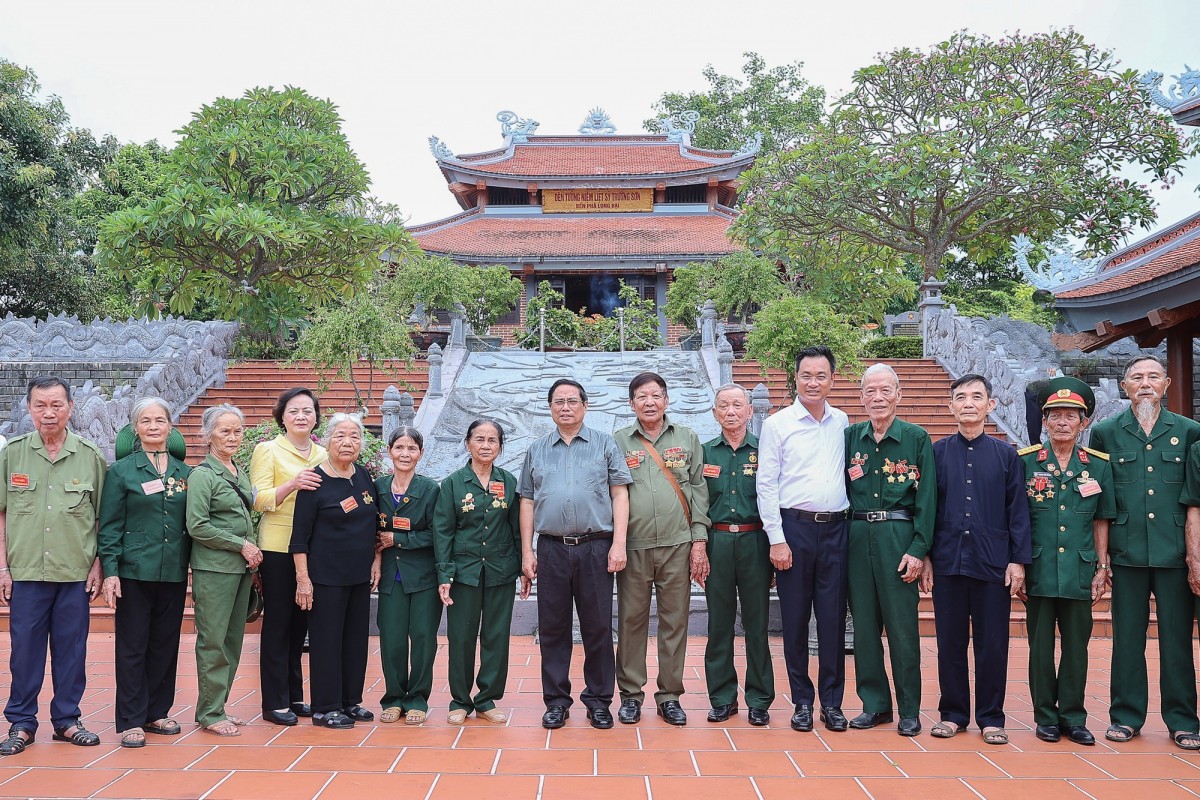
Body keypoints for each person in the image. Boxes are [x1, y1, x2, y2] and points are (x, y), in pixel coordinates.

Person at [1089, 355, 1200, 749]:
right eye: (1137, 377)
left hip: (1174, 554)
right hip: (1126, 552)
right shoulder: (1104, 433)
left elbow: (1193, 501)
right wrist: (1101, 560)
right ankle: (1126, 716)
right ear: (1124, 386)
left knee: (1177, 640)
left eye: (1153, 376)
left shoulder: (1189, 432)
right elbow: (1099, 499)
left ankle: (1184, 720)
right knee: (1127, 640)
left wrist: (1194, 556)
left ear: (1167, 384)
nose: (1145, 383)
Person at [0, 377, 107, 755]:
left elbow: (101, 519)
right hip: (26, 571)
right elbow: (2, 514)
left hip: (75, 573)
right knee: (24, 651)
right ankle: (21, 723)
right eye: (41, 405)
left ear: (70, 408)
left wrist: (98, 565)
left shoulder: (90, 455)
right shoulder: (11, 454)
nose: (49, 413)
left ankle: (67, 720)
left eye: (56, 405)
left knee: (71, 650)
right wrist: (3, 569)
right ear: (29, 409)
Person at [923, 374, 1031, 745]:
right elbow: (928, 510)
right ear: (951, 406)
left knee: (993, 643)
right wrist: (926, 556)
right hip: (948, 560)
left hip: (992, 563)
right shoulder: (936, 453)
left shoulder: (1006, 456)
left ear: (991, 405)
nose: (968, 403)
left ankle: (991, 716)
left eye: (976, 397)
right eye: (961, 397)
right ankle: (952, 713)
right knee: (949, 642)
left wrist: (1017, 561)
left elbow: (1018, 511)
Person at [519, 379, 632, 730]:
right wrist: (527, 550)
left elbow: (619, 495)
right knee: (553, 629)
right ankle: (556, 701)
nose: (565, 407)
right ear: (550, 407)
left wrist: (619, 543)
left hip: (596, 547)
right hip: (551, 548)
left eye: (572, 401)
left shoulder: (604, 444)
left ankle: (599, 701)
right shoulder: (537, 449)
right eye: (558, 402)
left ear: (585, 405)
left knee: (598, 627)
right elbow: (526, 499)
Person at [756, 346, 850, 734]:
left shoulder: (842, 421)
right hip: (793, 530)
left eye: (821, 376)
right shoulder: (777, 424)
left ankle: (832, 702)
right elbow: (766, 484)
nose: (813, 382)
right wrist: (776, 539)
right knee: (794, 621)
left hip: (836, 531)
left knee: (832, 620)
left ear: (832, 379)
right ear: (794, 378)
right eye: (806, 375)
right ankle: (801, 701)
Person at [1018, 377, 1114, 747]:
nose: (1062, 422)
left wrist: (1102, 568)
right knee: (1040, 647)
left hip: (1080, 567)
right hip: (1038, 568)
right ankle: (1045, 717)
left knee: (1077, 647)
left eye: (1070, 415)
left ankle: (1073, 717)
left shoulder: (1098, 466)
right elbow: (1017, 519)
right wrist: (1018, 564)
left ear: (1083, 422)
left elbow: (1102, 519)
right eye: (1054, 415)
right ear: (1043, 420)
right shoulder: (1026, 462)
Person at [613, 372, 710, 726]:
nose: (649, 402)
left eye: (655, 395)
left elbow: (699, 488)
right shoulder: (619, 441)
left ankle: (670, 695)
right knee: (631, 621)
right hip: (634, 547)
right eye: (641, 396)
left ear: (666, 400)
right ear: (632, 403)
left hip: (677, 546)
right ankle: (630, 695)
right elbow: (612, 492)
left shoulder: (686, 437)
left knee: (674, 622)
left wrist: (699, 539)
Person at [844, 364, 935, 737]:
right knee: (864, 629)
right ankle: (875, 705)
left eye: (885, 390)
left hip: (899, 537)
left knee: (901, 629)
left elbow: (928, 499)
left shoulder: (915, 438)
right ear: (861, 397)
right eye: (870, 391)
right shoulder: (851, 436)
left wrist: (919, 548)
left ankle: (909, 709)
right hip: (857, 535)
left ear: (898, 394)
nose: (877, 398)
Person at [98, 397, 192, 748]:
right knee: (133, 646)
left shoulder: (186, 473)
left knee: (165, 644)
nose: (153, 426)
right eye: (146, 421)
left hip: (173, 569)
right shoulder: (122, 471)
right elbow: (109, 526)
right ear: (135, 429)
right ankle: (131, 719)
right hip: (134, 571)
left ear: (170, 427)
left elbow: (192, 523)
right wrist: (111, 571)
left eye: (160, 420)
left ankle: (157, 711)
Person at [292, 413, 380, 729]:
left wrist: (375, 561)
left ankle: (348, 701)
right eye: (341, 435)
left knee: (355, 640)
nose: (347, 442)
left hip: (358, 576)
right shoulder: (314, 481)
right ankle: (325, 707)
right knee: (327, 641)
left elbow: (374, 527)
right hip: (325, 577)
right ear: (327, 440)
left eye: (355, 436)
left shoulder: (364, 477)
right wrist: (303, 579)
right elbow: (299, 537)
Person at [434, 419, 521, 725]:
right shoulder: (453, 484)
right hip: (464, 571)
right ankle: (460, 700)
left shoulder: (509, 482)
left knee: (496, 636)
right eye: (480, 439)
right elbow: (442, 532)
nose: (486, 445)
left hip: (501, 569)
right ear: (468, 443)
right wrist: (444, 575)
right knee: (461, 636)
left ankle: (486, 699)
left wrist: (524, 567)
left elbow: (517, 529)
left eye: (492, 440)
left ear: (500, 446)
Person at [250, 387, 326, 726]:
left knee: (301, 626)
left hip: (312, 549)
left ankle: (295, 695)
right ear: (282, 416)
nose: (301, 416)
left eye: (307, 411)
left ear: (315, 418)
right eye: (294, 411)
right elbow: (260, 499)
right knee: (279, 625)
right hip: (278, 547)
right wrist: (292, 484)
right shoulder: (267, 450)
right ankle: (274, 700)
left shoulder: (323, 454)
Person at [186, 403, 262, 737]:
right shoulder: (203, 474)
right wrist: (241, 545)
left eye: (237, 431)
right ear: (207, 435)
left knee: (232, 641)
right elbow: (197, 525)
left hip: (240, 570)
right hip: (215, 569)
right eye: (224, 431)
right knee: (213, 641)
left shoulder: (237, 470)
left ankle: (218, 706)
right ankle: (210, 712)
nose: (232, 437)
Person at [701, 384, 772, 726]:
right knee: (719, 624)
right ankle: (722, 697)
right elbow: (695, 504)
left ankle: (759, 699)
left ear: (749, 411)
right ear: (714, 412)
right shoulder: (703, 454)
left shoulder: (765, 451)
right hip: (717, 543)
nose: (730, 411)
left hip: (754, 540)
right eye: (723, 405)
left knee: (757, 623)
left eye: (737, 405)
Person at [375, 426, 441, 726]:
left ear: (420, 453)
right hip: (391, 575)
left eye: (411, 448)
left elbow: (436, 534)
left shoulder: (430, 489)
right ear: (389, 451)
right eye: (399, 447)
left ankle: (417, 699)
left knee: (424, 638)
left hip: (423, 576)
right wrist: (376, 558)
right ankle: (393, 698)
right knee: (392, 639)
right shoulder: (377, 488)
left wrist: (399, 539)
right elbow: (371, 532)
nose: (405, 454)